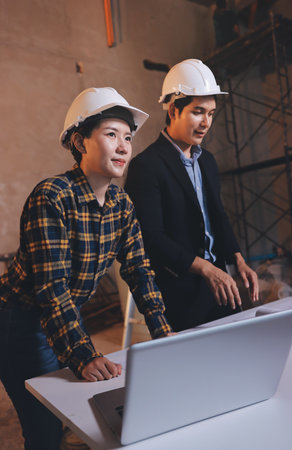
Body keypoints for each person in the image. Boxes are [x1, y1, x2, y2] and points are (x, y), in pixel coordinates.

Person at [0, 87, 172, 450]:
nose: (124, 146)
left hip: (62, 316)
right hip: (18, 320)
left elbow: (140, 270)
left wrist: (164, 333)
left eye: (127, 137)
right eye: (111, 134)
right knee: (45, 428)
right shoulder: (52, 196)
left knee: (73, 419)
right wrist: (83, 354)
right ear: (80, 142)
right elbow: (52, 288)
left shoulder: (121, 205)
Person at [125, 59, 259, 332]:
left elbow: (217, 215)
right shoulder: (146, 166)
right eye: (198, 112)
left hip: (219, 281)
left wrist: (238, 259)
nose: (206, 122)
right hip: (179, 288)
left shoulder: (206, 160)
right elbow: (150, 237)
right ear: (174, 110)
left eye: (211, 113)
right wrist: (205, 269)